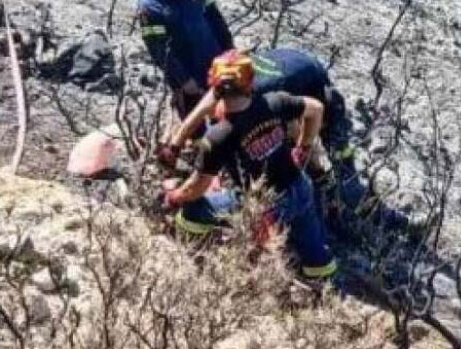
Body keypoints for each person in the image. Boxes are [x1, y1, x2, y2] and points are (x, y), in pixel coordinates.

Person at [156, 47, 401, 234]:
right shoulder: (232, 85)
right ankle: (318, 195)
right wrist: (175, 144)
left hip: (314, 87)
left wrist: (302, 151)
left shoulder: (266, 99)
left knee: (342, 171)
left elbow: (303, 123)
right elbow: (202, 109)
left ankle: (369, 217)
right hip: (292, 64)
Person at [158, 49, 338, 284]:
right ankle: (323, 280)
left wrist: (174, 197)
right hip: (299, 188)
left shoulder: (219, 137)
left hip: (264, 205)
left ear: (214, 86)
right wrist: (303, 147)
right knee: (317, 257)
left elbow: (196, 188)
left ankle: (194, 251)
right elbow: (315, 108)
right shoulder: (275, 101)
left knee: (193, 209)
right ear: (250, 82)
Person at [138, 0, 235, 119]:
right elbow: (159, 51)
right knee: (195, 125)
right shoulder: (150, 6)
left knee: (228, 117)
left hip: (216, 64)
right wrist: (184, 80)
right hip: (188, 76)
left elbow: (215, 18)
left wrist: (230, 50)